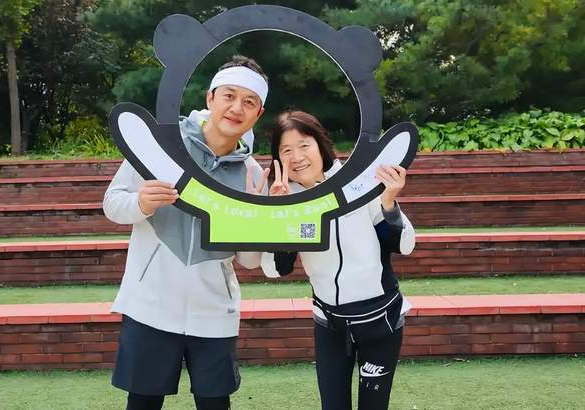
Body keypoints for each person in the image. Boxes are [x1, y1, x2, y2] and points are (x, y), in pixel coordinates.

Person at [103, 55, 270, 410]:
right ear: (210, 98)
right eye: (229, 95)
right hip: (150, 305)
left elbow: (249, 261)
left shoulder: (253, 175)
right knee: (143, 404)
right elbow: (112, 203)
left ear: (258, 113)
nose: (236, 108)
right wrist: (142, 203)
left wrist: (257, 220)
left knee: (215, 404)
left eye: (249, 101)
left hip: (215, 312)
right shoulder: (160, 146)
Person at [261, 110, 416, 410]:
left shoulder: (358, 182)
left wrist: (388, 200)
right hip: (330, 323)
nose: (297, 157)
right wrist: (281, 216)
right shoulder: (285, 198)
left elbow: (403, 244)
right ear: (278, 159)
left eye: (304, 145)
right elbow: (275, 268)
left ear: (320, 145)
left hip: (380, 320)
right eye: (286, 150)